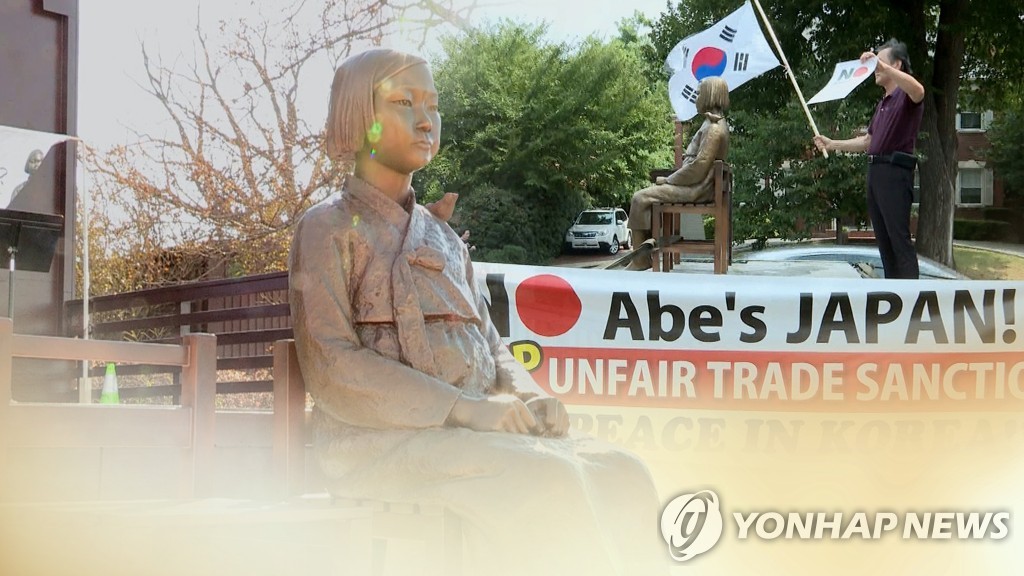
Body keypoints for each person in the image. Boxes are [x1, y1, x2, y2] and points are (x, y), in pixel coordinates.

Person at [288, 49, 668, 575]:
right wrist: (460, 408)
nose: (427, 120)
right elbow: (331, 363)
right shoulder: (326, 228)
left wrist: (529, 396)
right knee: (546, 477)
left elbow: (490, 342)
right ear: (358, 115)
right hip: (377, 442)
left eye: (433, 105)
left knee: (624, 472)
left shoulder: (444, 237)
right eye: (404, 103)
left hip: (471, 434)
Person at [814, 39, 925, 279]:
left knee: (899, 240)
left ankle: (911, 297)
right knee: (884, 243)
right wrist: (833, 144)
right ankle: (894, 293)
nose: (875, 68)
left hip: (895, 172)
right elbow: (867, 141)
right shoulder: (883, 103)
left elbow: (919, 91)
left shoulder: (905, 96)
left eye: (879, 63)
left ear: (897, 64)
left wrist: (884, 67)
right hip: (876, 173)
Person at [626, 76, 730, 270]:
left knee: (640, 198)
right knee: (646, 197)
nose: (696, 98)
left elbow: (698, 167)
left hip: (697, 189)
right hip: (698, 185)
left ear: (710, 95)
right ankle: (644, 253)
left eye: (699, 94)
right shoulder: (713, 124)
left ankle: (640, 260)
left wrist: (669, 180)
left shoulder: (714, 128)